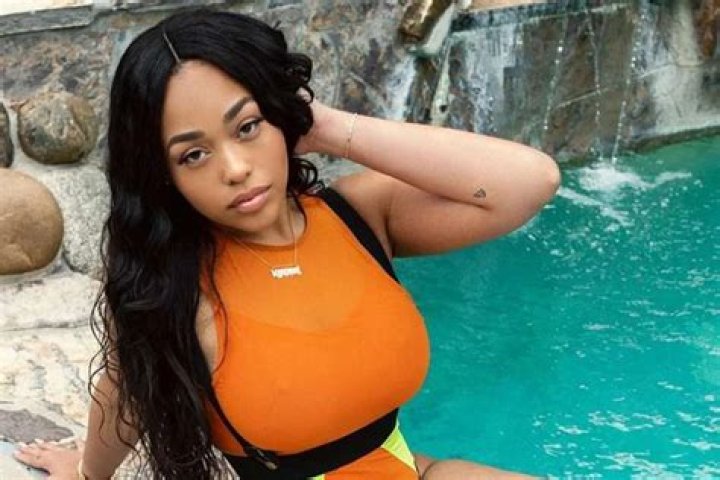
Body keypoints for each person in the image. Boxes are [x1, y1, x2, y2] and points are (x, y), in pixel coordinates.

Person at [14, 8, 560, 480]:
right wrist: (86, 472)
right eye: (193, 155)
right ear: (164, 175)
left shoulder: (359, 216)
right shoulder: (172, 286)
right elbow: (125, 394)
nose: (235, 168)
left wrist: (324, 127)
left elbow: (529, 182)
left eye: (247, 127)